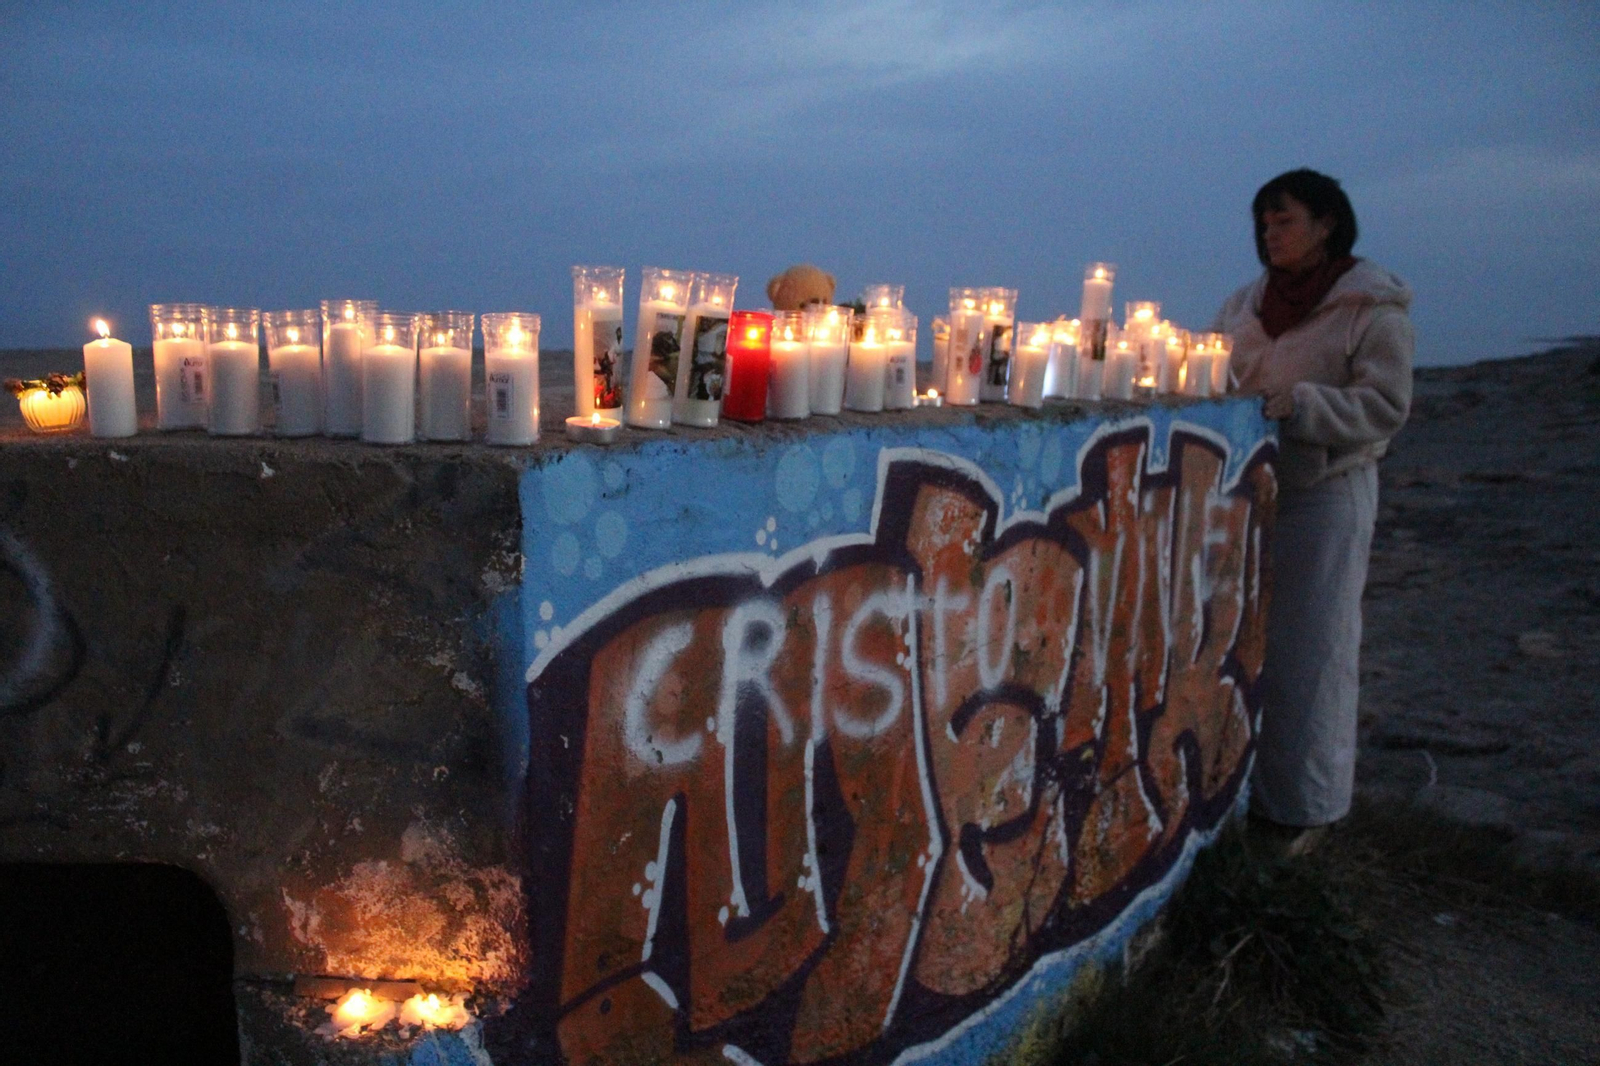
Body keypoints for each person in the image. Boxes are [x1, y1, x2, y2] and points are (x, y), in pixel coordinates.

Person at [1212, 168, 1414, 854]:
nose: (1271, 234)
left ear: (1327, 222)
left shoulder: (1370, 308)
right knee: (1239, 646)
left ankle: (1304, 811)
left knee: (1312, 649)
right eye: (1264, 223)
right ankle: (1237, 796)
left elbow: (1386, 406)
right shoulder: (1248, 303)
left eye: (1286, 220)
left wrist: (1305, 406)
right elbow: (1212, 366)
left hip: (1325, 489)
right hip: (1248, 494)